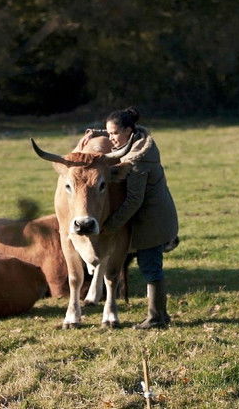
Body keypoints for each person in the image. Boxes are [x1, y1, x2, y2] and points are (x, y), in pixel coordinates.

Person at [84, 107, 178, 329]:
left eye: (115, 133)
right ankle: (161, 315)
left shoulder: (137, 160)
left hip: (152, 221)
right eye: (109, 133)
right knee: (151, 266)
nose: (111, 138)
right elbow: (116, 132)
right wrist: (96, 132)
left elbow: (134, 200)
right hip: (156, 216)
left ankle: (156, 318)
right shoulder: (139, 139)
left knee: (150, 267)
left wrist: (109, 227)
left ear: (128, 130)